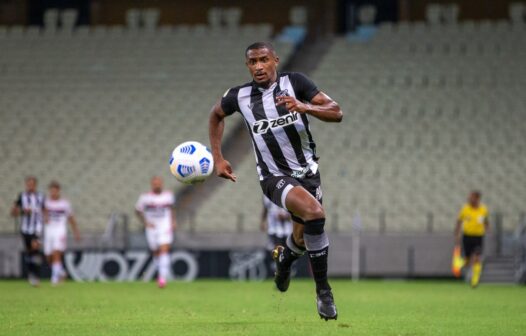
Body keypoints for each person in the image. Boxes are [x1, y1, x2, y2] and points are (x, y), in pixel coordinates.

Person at [209, 42, 342, 320]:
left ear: (275, 60)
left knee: (300, 237)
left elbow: (335, 111)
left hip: (308, 174)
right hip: (273, 177)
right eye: (253, 62)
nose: (258, 66)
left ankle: (284, 261)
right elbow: (216, 114)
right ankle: (324, 293)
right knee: (316, 214)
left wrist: (304, 107)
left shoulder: (296, 83)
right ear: (247, 66)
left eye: (264, 60)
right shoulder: (239, 96)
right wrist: (218, 158)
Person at [135, 176, 176, 288]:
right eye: (155, 183)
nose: (157, 185)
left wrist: (173, 222)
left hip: (165, 227)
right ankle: (161, 274)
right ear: (152, 184)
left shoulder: (168, 196)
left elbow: (172, 209)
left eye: (159, 183)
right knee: (156, 252)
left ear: (162, 184)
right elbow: (137, 210)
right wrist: (145, 223)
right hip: (152, 228)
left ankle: (162, 279)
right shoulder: (145, 198)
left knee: (164, 250)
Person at [43, 181, 81, 285]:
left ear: (58, 191)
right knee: (48, 256)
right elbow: (43, 215)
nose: (53, 193)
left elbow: (71, 218)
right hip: (48, 230)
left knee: (56, 252)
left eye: (55, 190)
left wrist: (76, 232)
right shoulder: (46, 203)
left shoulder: (64, 204)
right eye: (52, 191)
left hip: (60, 230)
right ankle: (61, 271)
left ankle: (54, 278)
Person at [10, 176, 45, 286]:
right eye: (28, 184)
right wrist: (21, 211)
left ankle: (36, 275)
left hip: (37, 228)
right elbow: (13, 213)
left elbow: (45, 211)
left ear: (35, 185)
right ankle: (31, 274)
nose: (30, 186)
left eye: (32, 184)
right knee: (30, 252)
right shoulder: (21, 197)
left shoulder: (41, 197)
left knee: (35, 247)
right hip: (25, 228)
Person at [454, 191, 489, 288]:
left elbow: (486, 220)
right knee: (468, 260)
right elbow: (459, 221)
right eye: (469, 197)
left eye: (471, 197)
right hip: (467, 236)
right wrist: (456, 233)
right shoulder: (465, 209)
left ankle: (475, 280)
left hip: (478, 237)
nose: (469, 199)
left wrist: (487, 228)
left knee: (477, 257)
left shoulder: (483, 209)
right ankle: (461, 262)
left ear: (477, 198)